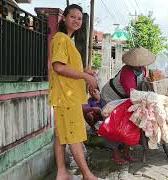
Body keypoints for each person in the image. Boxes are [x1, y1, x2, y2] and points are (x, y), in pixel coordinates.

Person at [48, 4, 100, 180]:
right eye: (73, 17)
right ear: (64, 18)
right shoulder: (61, 39)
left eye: (80, 18)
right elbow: (58, 67)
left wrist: (86, 72)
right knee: (75, 136)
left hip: (65, 96)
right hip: (66, 97)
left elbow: (67, 67)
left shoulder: (66, 40)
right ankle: (87, 175)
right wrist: (86, 77)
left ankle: (62, 172)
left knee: (62, 136)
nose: (77, 21)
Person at [101, 47, 156, 164]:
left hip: (126, 99)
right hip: (111, 98)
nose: (141, 66)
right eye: (138, 64)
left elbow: (142, 84)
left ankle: (127, 153)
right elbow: (131, 93)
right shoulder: (126, 72)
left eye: (142, 63)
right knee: (112, 126)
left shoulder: (143, 70)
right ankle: (115, 154)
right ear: (132, 63)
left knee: (129, 124)